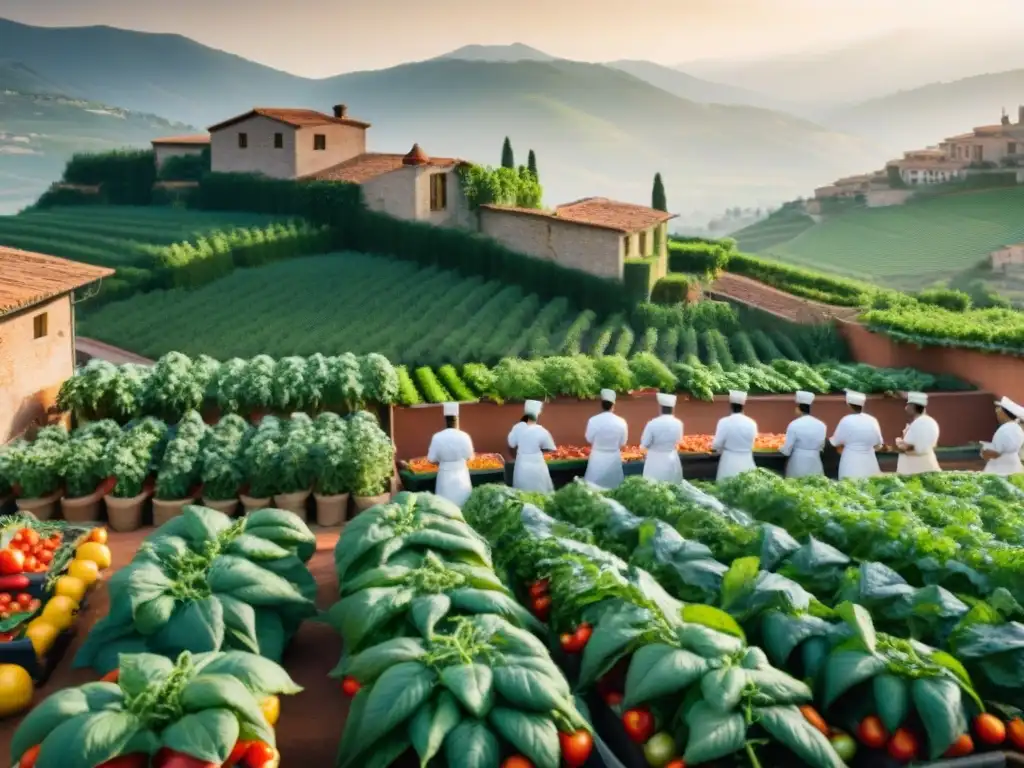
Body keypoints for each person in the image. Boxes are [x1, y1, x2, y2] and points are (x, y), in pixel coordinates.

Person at [427, 402, 474, 507]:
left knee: (445, 509)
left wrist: (443, 461)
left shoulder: (437, 437)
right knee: (463, 507)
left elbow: (431, 459)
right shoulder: (464, 436)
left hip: (444, 477)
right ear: (457, 419)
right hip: (462, 477)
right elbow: (470, 457)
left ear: (445, 420)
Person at [829, 390, 883, 479]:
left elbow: (835, 441)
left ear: (849, 404)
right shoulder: (872, 420)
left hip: (850, 461)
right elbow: (878, 444)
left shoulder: (846, 420)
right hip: (869, 461)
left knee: (850, 487)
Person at [584, 389, 628, 489]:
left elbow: (589, 439)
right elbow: (623, 442)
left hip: (597, 456)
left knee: (593, 488)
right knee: (614, 487)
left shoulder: (593, 420)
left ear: (601, 404)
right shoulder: (621, 422)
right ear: (614, 404)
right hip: (613, 457)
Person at [508, 399, 556, 492]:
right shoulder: (541, 430)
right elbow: (550, 448)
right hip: (538, 464)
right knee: (540, 493)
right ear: (538, 414)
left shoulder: (517, 427)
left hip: (522, 464)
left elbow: (511, 443)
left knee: (522, 493)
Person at [712, 390, 758, 481]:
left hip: (729, 460)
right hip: (747, 459)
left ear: (731, 406)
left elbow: (717, 444)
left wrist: (718, 450)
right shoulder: (752, 423)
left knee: (726, 487)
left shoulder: (724, 422)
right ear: (743, 406)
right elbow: (753, 441)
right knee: (747, 486)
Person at [780, 390, 826, 478]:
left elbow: (787, 450)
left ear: (798, 409)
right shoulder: (821, 425)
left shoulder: (794, 424)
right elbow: (821, 446)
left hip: (798, 461)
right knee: (814, 485)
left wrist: (780, 448)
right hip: (815, 460)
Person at [641, 392, 684, 483]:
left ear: (660, 408)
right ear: (673, 408)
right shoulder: (679, 423)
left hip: (655, 459)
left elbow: (645, 443)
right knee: (673, 486)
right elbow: (679, 440)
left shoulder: (652, 423)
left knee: (654, 486)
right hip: (672, 458)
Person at [895, 392, 941, 475]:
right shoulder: (931, 421)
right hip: (929, 465)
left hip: (914, 469)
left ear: (913, 407)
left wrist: (899, 442)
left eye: (908, 405)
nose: (906, 408)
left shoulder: (919, 423)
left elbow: (909, 448)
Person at [981, 396, 1024, 475]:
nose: (996, 411)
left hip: (1001, 469)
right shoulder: (1016, 427)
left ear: (1004, 413)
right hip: (1013, 466)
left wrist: (984, 451)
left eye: (999, 409)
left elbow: (996, 453)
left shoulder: (1006, 429)